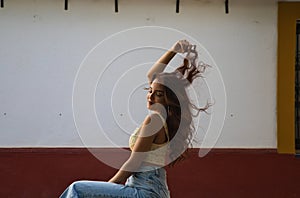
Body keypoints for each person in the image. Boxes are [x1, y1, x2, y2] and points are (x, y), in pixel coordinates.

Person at [60, 40, 208, 198]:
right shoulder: (163, 120)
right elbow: (152, 75)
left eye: (158, 94)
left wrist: (107, 187)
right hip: (148, 187)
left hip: (144, 190)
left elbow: (134, 162)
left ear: (168, 99)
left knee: (77, 189)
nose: (150, 96)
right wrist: (173, 50)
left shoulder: (155, 121)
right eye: (149, 91)